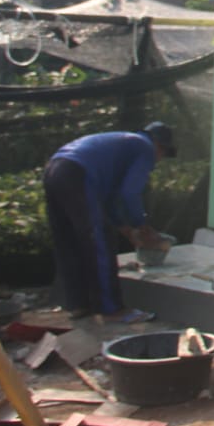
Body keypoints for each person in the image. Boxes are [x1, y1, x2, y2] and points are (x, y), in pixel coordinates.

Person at [44, 121, 176, 321]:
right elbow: (130, 193)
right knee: (102, 241)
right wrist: (141, 225)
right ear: (160, 146)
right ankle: (111, 309)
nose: (158, 160)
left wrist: (127, 230)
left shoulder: (121, 147)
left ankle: (78, 304)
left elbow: (110, 203)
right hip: (77, 173)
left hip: (55, 169)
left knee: (69, 241)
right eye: (163, 154)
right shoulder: (144, 147)